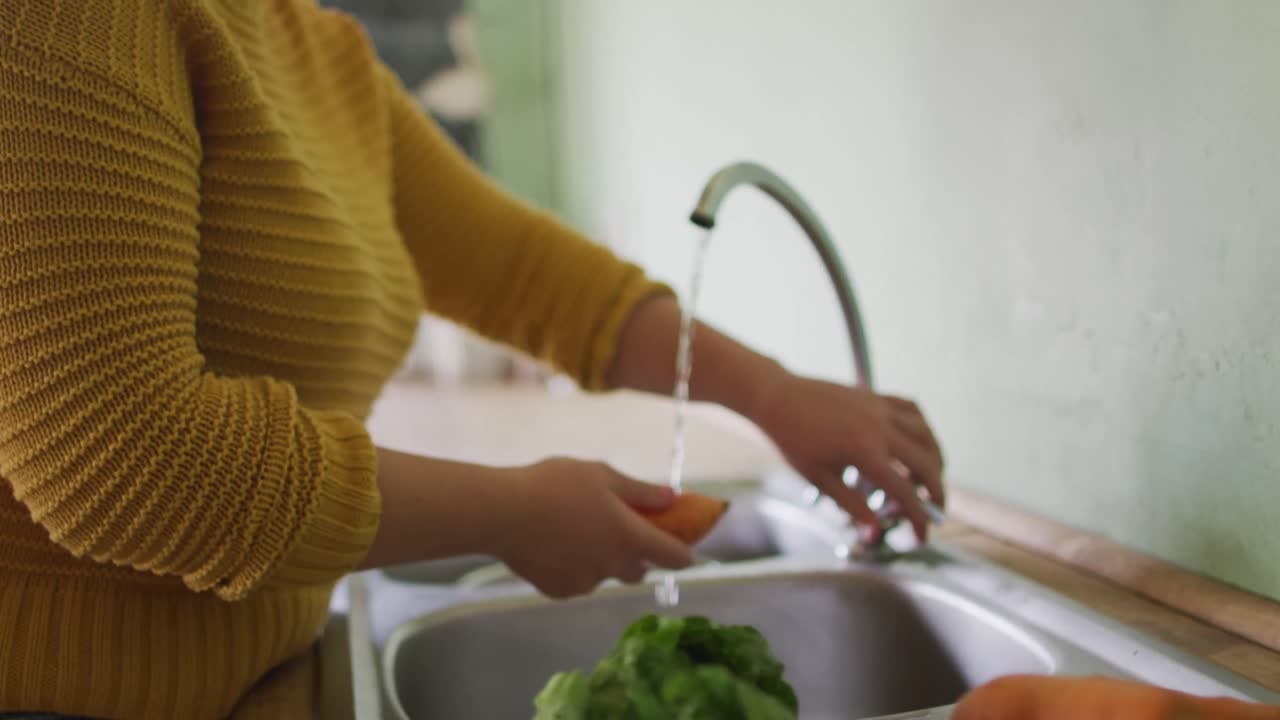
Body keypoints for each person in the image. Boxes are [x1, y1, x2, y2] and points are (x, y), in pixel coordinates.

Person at [0, 1, 943, 718]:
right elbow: (125, 458)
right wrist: (511, 513)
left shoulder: (316, 51)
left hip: (258, 684)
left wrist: (773, 393)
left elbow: (530, 275)